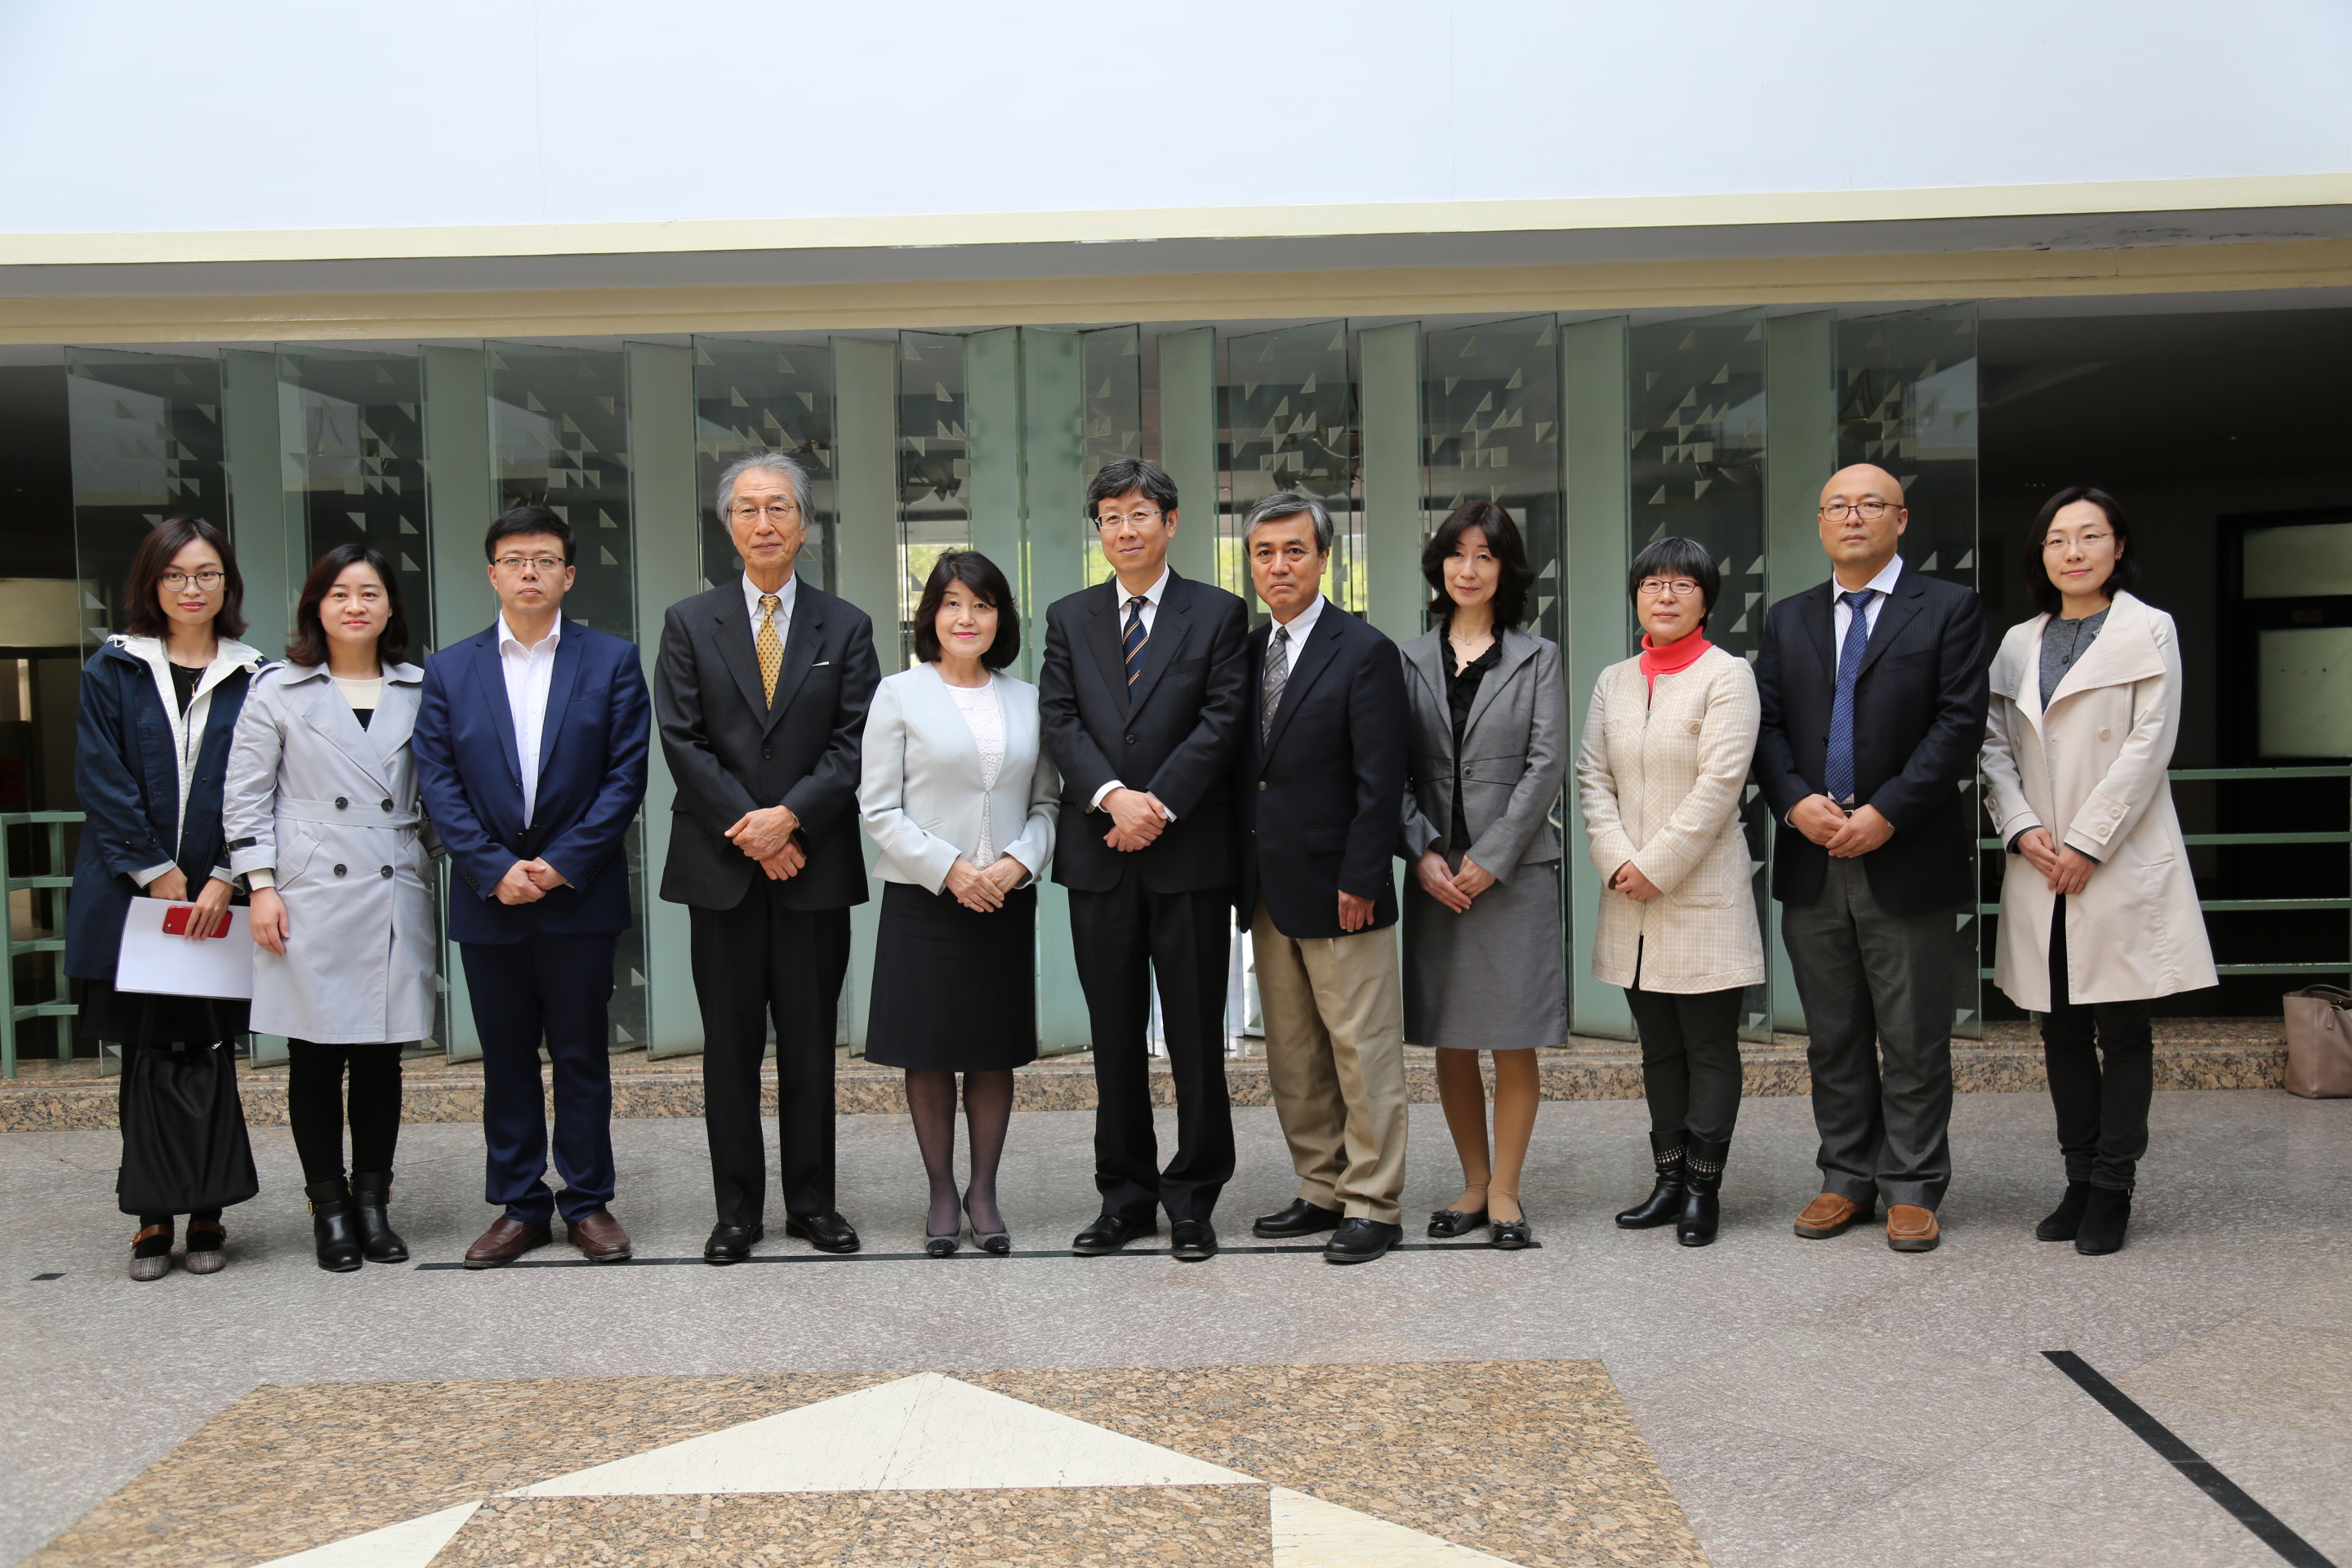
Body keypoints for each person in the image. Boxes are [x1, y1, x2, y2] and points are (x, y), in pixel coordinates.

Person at [1755, 464, 1990, 1254]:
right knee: (1833, 1036)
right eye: (1838, 506)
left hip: (1906, 851)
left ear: (1901, 519)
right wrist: (1794, 801)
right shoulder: (1788, 619)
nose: (1853, 517)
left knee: (1914, 1036)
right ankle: (1846, 1176)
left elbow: (1958, 725)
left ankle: (1914, 1185)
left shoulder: (1949, 608)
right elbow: (1766, 726)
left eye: (1870, 505)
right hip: (1813, 854)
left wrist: (1887, 811)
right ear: (1821, 523)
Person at [657, 451, 881, 1265]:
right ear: (728, 525)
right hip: (721, 871)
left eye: (779, 507)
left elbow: (856, 742)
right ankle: (737, 1211)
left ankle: (813, 1204)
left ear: (805, 524)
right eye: (747, 508)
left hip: (812, 867)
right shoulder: (690, 622)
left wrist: (790, 822)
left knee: (812, 1046)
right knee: (730, 1050)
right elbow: (681, 739)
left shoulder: (845, 626)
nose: (764, 523)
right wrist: (750, 830)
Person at [412, 505, 651, 1269]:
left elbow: (625, 778)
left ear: (568, 575)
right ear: (492, 574)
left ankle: (587, 1202)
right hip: (489, 898)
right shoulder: (450, 669)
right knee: (506, 1060)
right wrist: (492, 868)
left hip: (578, 895)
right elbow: (438, 780)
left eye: (545, 560)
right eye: (514, 560)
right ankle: (520, 1205)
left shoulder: (611, 660)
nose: (529, 572)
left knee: (582, 1056)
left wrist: (560, 863)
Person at [1981, 487, 2213, 1256]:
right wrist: (2022, 829)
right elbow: (1993, 746)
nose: (2072, 552)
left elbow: (2151, 745)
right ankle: (2078, 1179)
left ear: (2119, 546)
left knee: (2124, 1028)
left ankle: (2114, 1187)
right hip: (2041, 860)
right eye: (2057, 539)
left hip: (2115, 857)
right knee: (2060, 1028)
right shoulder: (2018, 642)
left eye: (2089, 536)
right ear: (2040, 555)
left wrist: (2087, 842)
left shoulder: (2150, 630)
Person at [1039, 458, 1250, 1262]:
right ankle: (1124, 1198)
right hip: (1100, 857)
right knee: (1114, 1036)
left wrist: (1153, 805)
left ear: (1171, 521)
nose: (1124, 530)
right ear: (1098, 530)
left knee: (1196, 1036)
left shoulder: (1218, 613)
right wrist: (1110, 798)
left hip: (1187, 857)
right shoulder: (1070, 617)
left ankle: (1193, 1198)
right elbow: (1060, 719)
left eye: (1139, 514)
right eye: (1110, 518)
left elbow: (1223, 720)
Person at [224, 544, 437, 1272]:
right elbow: (245, 797)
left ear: (390, 607)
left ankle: (373, 1203)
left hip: (392, 882)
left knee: (381, 1057)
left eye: (370, 593)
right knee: (314, 1057)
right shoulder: (277, 689)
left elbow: (442, 794)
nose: (355, 606)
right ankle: (329, 1208)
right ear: (316, 605)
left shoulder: (421, 687)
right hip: (306, 889)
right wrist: (260, 886)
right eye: (340, 593)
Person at [66, 517, 266, 1281]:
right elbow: (100, 774)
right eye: (176, 575)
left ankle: (209, 1208)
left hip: (219, 897)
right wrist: (153, 870)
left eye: (207, 574)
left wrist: (224, 873)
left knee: (209, 1050)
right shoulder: (113, 668)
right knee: (145, 1053)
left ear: (226, 583)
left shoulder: (255, 675)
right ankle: (152, 1214)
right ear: (151, 583)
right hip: (131, 897)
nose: (192, 588)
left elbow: (261, 785)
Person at [859, 551, 1058, 1257]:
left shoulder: (1028, 699)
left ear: (1000, 618)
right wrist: (950, 870)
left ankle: (984, 1191)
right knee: (930, 1051)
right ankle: (942, 1190)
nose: (966, 618)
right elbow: (878, 808)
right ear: (931, 617)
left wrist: (1016, 863)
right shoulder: (898, 694)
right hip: (926, 898)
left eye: (982, 604)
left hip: (1003, 896)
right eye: (951, 603)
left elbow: (1047, 803)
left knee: (991, 1051)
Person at [1235, 492, 1413, 1265]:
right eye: (1264, 552)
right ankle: (1321, 1186)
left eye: (1294, 551)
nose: (1279, 566)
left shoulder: (1364, 650)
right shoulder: (1247, 651)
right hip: (1268, 886)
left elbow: (1383, 777)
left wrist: (1363, 875)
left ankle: (1374, 1202)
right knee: (1294, 1053)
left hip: (1344, 887)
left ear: (1324, 559)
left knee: (1361, 1052)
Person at [1577, 537, 1766, 1247]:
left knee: (1708, 1046)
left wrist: (1656, 865)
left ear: (1705, 599)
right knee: (1657, 1048)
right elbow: (1592, 777)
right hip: (1630, 895)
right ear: (1636, 596)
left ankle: (1702, 1189)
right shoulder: (1614, 680)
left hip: (1700, 892)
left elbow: (1720, 786)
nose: (1665, 595)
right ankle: (1666, 1181)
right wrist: (1616, 858)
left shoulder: (1729, 676)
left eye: (1682, 584)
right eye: (1652, 583)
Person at [1398, 501, 1568, 1250]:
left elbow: (1545, 765)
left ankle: (1505, 1193)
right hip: (1436, 873)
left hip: (1514, 874)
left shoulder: (1539, 657)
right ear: (1440, 565)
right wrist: (1423, 851)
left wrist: (1491, 858)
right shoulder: (1406, 659)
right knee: (1454, 1038)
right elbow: (1391, 768)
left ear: (1507, 570)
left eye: (1485, 556)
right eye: (1457, 554)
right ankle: (1472, 1183)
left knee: (1512, 1037)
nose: (1468, 569)